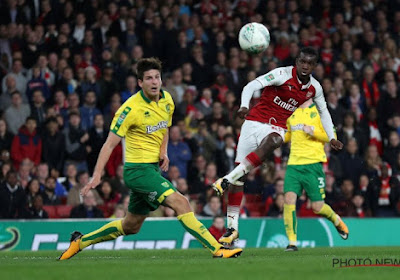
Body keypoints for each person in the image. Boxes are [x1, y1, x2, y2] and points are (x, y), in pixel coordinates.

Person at [59, 58, 242, 260]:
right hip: (137, 171)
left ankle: (80, 242)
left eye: (157, 77)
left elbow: (164, 126)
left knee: (131, 226)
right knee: (181, 202)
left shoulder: (167, 100)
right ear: (140, 83)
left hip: (152, 169)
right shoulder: (130, 109)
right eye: (148, 78)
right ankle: (217, 249)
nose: (154, 82)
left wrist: (164, 151)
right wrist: (96, 175)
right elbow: (109, 144)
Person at [212, 47, 343, 246]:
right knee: (241, 179)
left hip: (277, 127)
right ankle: (232, 228)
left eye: (310, 63)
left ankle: (226, 178)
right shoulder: (281, 74)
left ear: (315, 66)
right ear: (296, 62)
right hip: (253, 122)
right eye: (302, 62)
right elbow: (251, 85)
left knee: (274, 141)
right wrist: (244, 105)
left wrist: (331, 136)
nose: (305, 66)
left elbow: (324, 112)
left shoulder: (315, 88)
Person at [282, 99, 349, 252]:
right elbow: (288, 134)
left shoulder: (320, 112)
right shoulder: (291, 112)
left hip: (313, 165)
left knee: (317, 207)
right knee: (288, 198)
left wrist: (313, 131)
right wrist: (277, 136)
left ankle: (336, 220)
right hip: (294, 164)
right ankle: (292, 242)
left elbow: (332, 136)